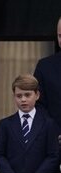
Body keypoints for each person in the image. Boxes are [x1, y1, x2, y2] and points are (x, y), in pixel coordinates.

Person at [34, 16, 61, 151]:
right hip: (54, 146)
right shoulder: (45, 66)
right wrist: (55, 132)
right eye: (60, 36)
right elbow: (38, 105)